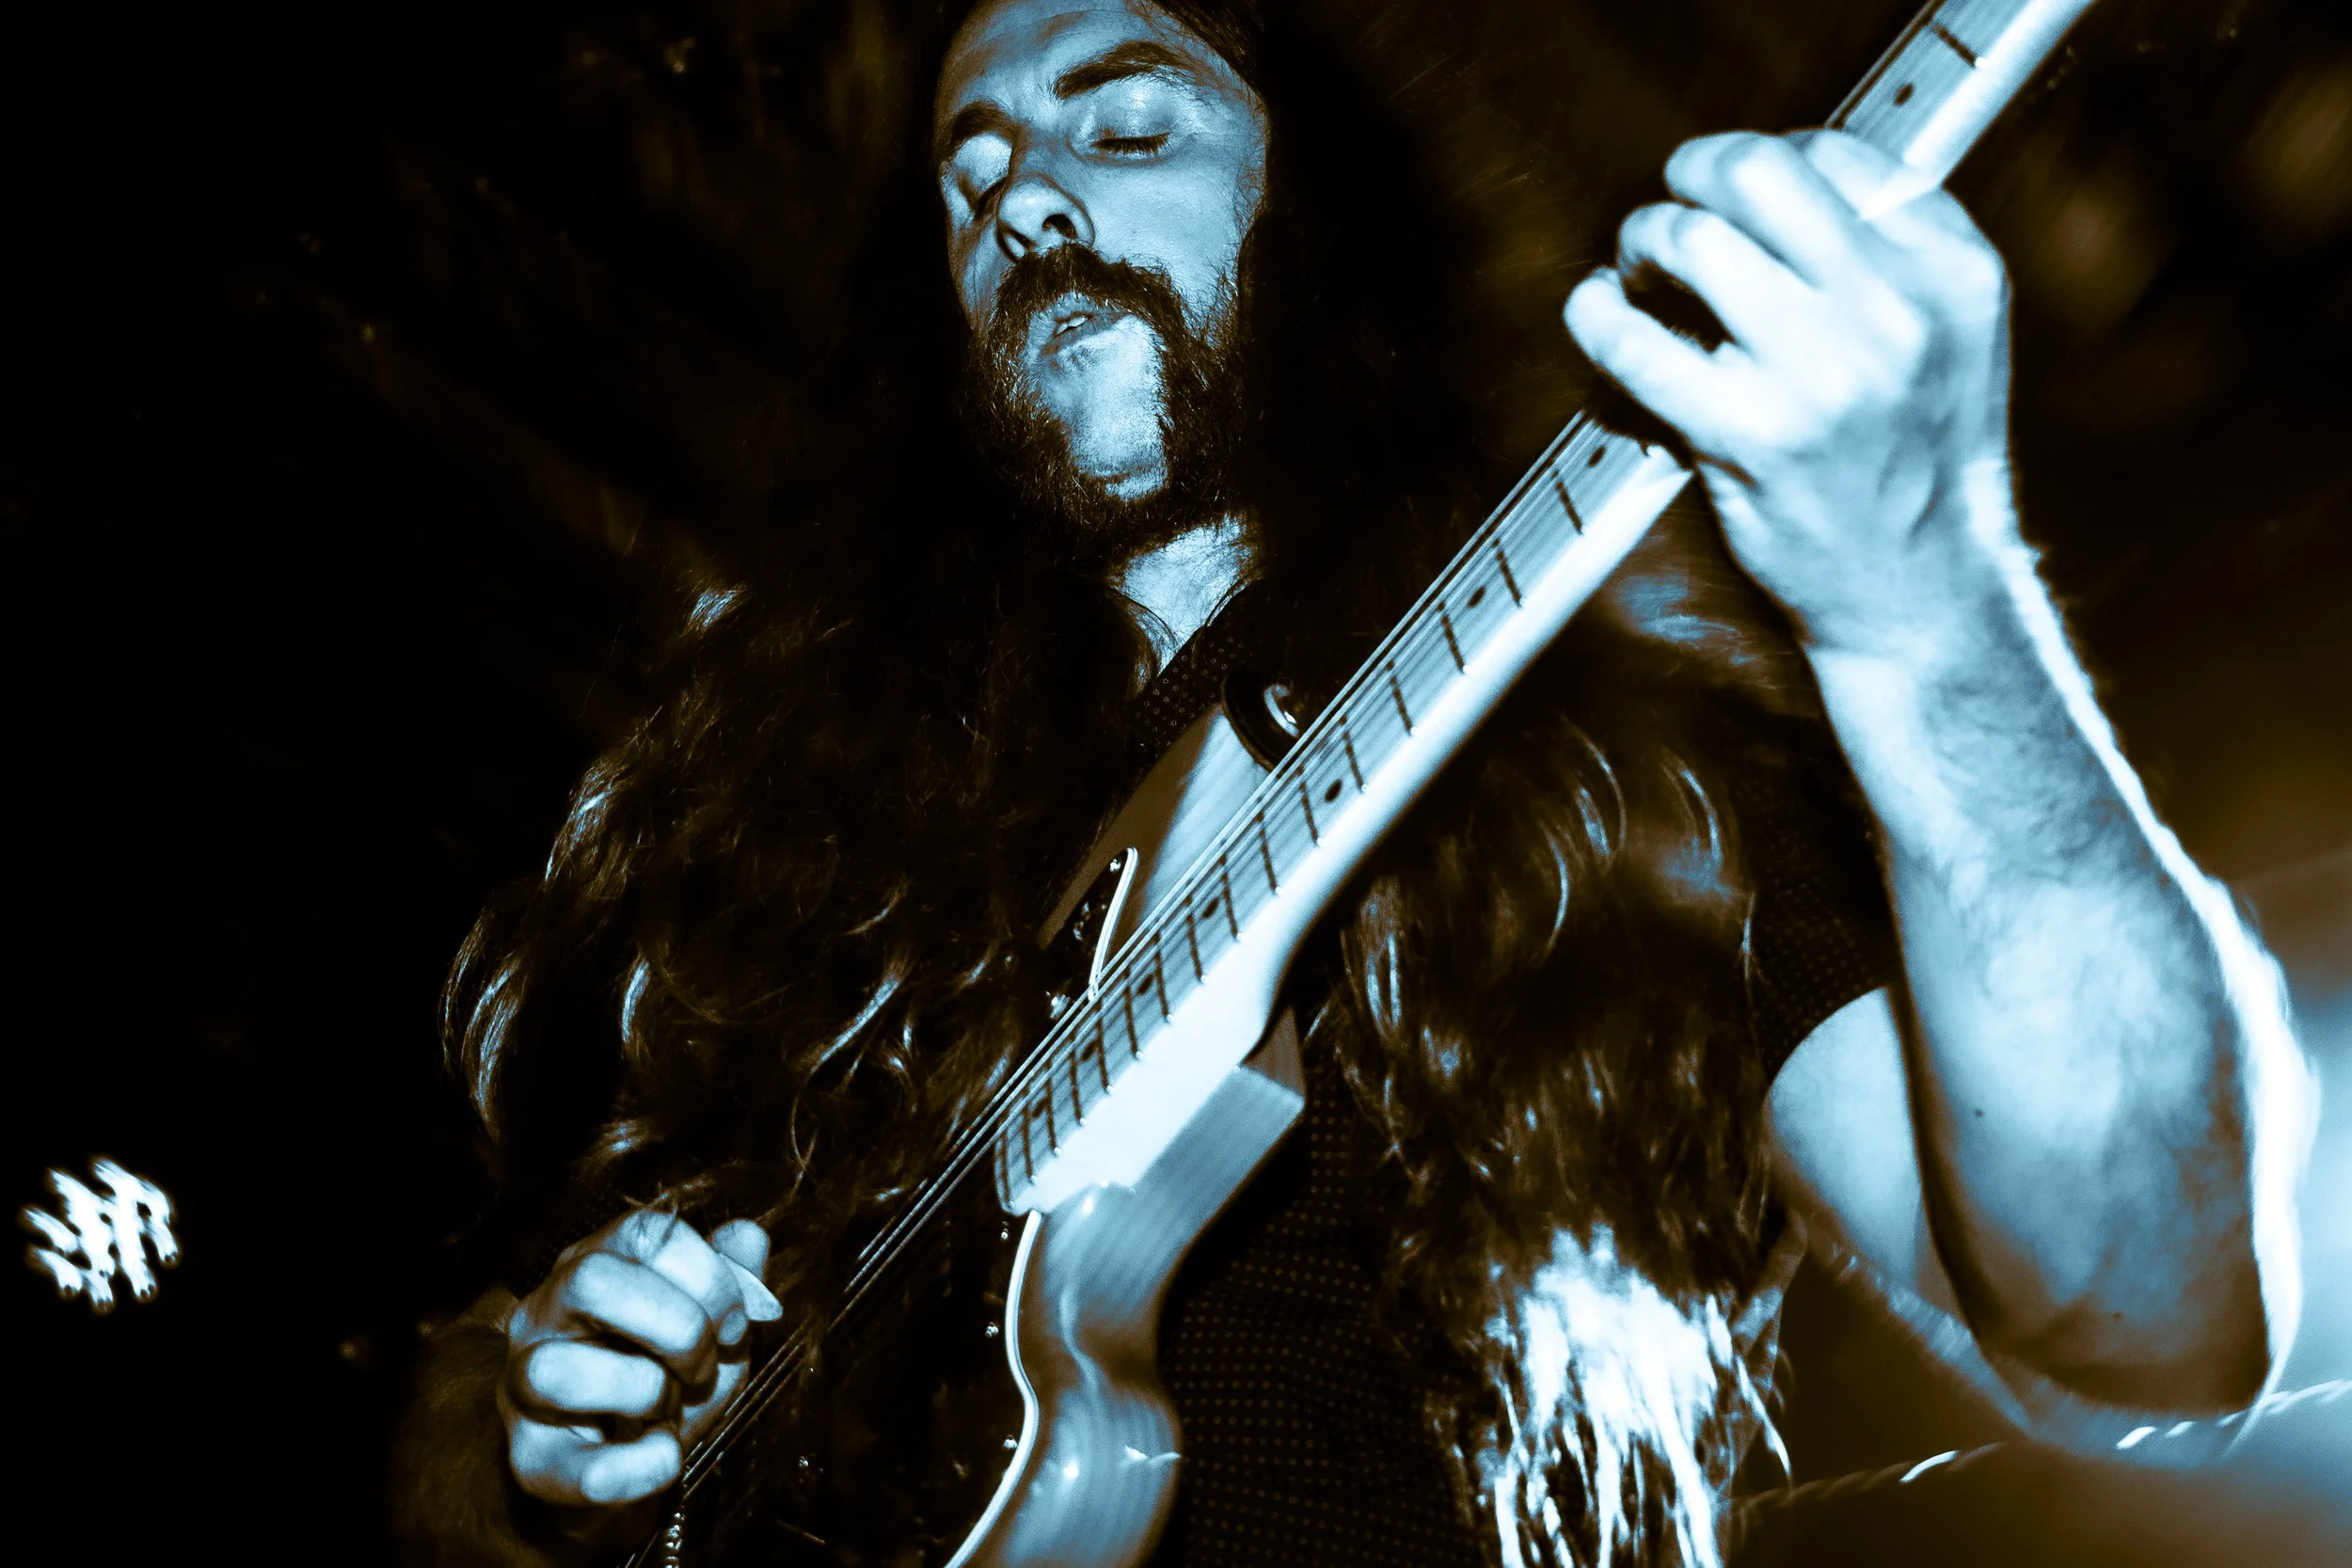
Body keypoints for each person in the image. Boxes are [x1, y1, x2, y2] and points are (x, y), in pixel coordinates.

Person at [390, 0, 2312, 1563]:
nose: (1025, 206)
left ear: (1315, 221)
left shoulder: (1611, 778)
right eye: (968, 188)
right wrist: (541, 1429)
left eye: (1121, 127)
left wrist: (1924, 608)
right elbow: (441, 1420)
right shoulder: (809, 828)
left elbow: (2153, 1312)